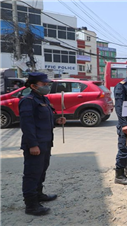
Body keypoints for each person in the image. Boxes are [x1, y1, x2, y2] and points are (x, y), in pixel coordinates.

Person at [19, 72, 66, 216]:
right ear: (33, 86)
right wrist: (33, 144)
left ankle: (39, 194)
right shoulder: (28, 100)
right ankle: (31, 205)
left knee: (41, 170)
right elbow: (27, 125)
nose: (47, 86)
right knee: (32, 173)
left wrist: (57, 121)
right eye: (43, 84)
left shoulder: (43, 99)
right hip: (35, 144)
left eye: (47, 84)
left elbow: (44, 121)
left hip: (45, 142)